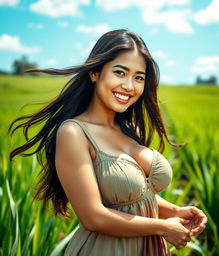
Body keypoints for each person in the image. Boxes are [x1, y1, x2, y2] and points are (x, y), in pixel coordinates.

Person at [9, 29, 207, 255]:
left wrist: (174, 211)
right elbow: (93, 217)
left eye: (138, 77)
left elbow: (133, 197)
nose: (129, 86)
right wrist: (162, 227)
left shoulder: (131, 129)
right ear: (95, 73)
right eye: (120, 73)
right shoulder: (74, 133)